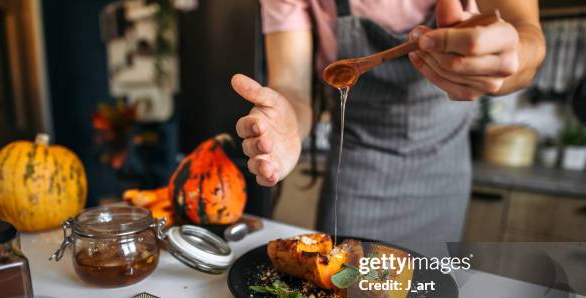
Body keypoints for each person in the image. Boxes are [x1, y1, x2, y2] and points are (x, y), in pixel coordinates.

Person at [231, 0, 545, 242]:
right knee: (343, 294)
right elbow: (292, 87)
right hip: (357, 173)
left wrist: (507, 60)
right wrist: (285, 121)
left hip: (442, 170)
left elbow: (528, 37)